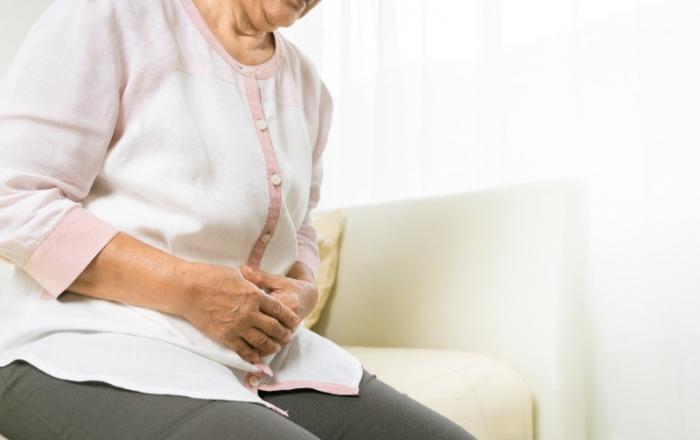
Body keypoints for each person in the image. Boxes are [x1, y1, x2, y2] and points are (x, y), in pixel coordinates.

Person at [0, 0, 477, 438]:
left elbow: (300, 227)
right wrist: (189, 289)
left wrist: (303, 287)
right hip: (89, 342)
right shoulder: (111, 18)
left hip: (263, 360)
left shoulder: (307, 85)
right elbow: (14, 201)